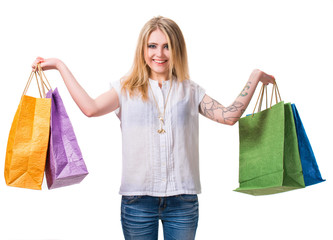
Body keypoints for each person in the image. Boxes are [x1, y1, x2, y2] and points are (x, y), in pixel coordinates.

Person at [32, 16, 275, 240]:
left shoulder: (190, 90)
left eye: (167, 46)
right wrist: (60, 66)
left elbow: (229, 116)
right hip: (137, 201)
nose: (159, 54)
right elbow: (91, 108)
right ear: (143, 50)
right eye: (152, 46)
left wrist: (254, 77)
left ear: (177, 49)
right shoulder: (125, 89)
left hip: (182, 201)